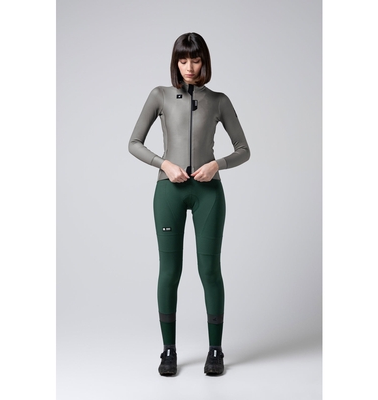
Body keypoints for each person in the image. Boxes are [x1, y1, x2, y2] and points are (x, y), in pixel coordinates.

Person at [128, 32, 250, 376]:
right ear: (175, 62)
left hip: (208, 193)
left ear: (204, 62)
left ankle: (216, 351)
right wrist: (164, 164)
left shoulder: (219, 100)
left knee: (210, 271)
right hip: (169, 190)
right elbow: (134, 142)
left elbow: (243, 149)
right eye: (183, 60)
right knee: (170, 271)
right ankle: (168, 351)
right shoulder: (160, 95)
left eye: (195, 60)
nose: (189, 67)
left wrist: (217, 165)